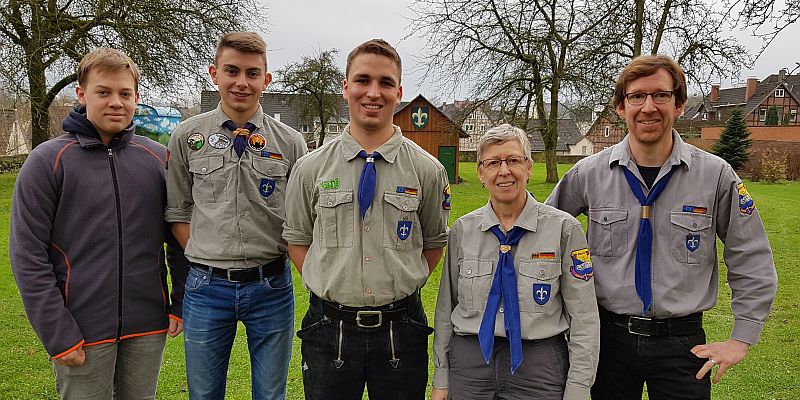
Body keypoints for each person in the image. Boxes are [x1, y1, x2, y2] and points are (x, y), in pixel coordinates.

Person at [546, 54, 778, 400]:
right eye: (636, 96)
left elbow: (751, 256)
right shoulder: (588, 174)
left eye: (661, 95)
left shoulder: (715, 176)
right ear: (621, 108)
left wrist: (740, 338)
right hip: (605, 340)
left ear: (679, 104)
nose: (648, 107)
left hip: (681, 346)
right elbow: (544, 234)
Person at [9, 48, 187, 399]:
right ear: (81, 94)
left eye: (125, 94)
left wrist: (179, 302)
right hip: (80, 329)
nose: (116, 102)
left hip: (147, 326)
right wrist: (58, 333)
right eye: (103, 92)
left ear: (137, 97)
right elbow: (28, 256)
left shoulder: (157, 159)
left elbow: (179, 237)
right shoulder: (48, 161)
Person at [282, 38, 451, 399]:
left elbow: (434, 243)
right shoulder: (310, 168)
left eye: (385, 82)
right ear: (345, 88)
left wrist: (397, 277)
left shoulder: (428, 171)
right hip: (329, 328)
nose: (373, 92)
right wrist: (332, 278)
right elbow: (297, 239)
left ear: (399, 91)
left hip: (401, 331)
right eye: (362, 80)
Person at [165, 32, 307, 400]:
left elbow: (300, 218)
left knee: (271, 394)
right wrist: (204, 251)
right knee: (204, 393)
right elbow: (177, 210)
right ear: (215, 74)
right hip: (206, 288)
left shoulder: (291, 142)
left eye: (252, 73)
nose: (242, 82)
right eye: (232, 71)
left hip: (271, 286)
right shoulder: (186, 137)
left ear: (266, 80)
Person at [430, 124, 599, 400]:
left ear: (529, 168)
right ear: (481, 173)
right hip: (470, 367)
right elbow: (445, 309)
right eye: (494, 163)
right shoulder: (463, 231)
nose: (504, 171)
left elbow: (584, 317)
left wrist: (579, 388)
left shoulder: (563, 230)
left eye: (513, 160)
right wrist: (441, 377)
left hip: (538, 366)